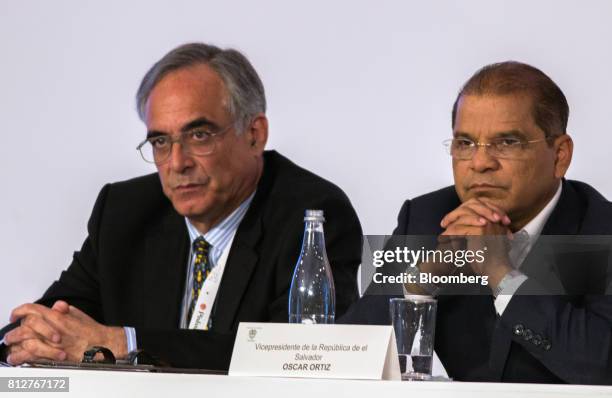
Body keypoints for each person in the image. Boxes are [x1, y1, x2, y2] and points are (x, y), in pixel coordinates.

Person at [0, 43, 363, 370]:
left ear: (255, 135)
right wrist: (30, 336)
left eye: (199, 135)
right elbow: (52, 321)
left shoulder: (312, 215)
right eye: (160, 141)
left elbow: (298, 355)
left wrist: (123, 343)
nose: (176, 162)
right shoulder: (124, 213)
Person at [342, 61, 612, 384]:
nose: (481, 163)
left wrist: (501, 274)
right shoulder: (428, 218)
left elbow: (602, 362)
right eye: (465, 144)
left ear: (560, 156)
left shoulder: (600, 228)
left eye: (507, 143)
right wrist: (420, 282)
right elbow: (349, 354)